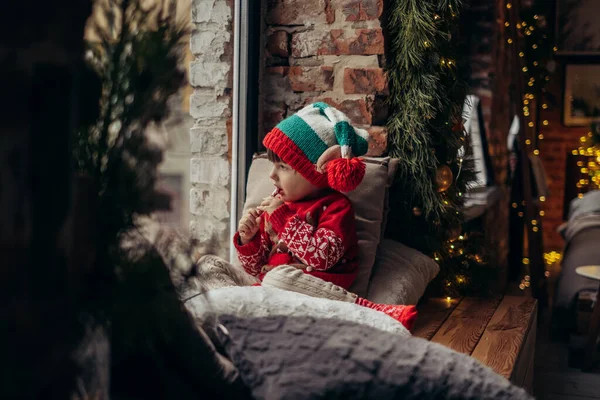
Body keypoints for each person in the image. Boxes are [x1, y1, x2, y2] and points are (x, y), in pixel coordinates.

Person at [199, 102, 416, 330]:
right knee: (207, 265)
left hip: (309, 291)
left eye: (282, 167)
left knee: (278, 277)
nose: (271, 175)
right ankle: (236, 309)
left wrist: (283, 219)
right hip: (267, 290)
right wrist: (249, 239)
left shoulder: (336, 207)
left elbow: (323, 257)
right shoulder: (277, 205)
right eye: (273, 166)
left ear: (312, 173)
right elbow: (255, 268)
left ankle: (367, 309)